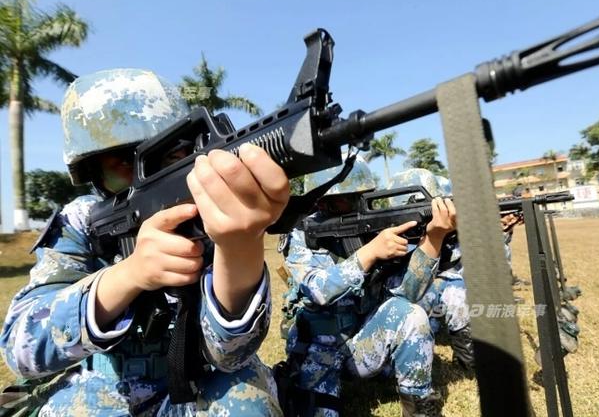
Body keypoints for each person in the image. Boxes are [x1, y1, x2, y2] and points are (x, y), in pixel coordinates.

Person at [0, 69, 287, 416]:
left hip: (194, 390)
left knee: (248, 398)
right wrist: (131, 274)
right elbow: (22, 348)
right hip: (105, 397)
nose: (145, 179)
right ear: (91, 174)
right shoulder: (81, 224)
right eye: (122, 162)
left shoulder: (208, 213)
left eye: (169, 156)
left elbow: (231, 355)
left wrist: (238, 246)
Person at [279, 155, 456, 417]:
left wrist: (434, 238)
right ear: (321, 200)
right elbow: (316, 290)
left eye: (359, 197)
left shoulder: (374, 228)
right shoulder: (301, 233)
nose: (353, 204)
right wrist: (368, 254)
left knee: (412, 314)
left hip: (361, 343)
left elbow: (407, 293)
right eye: (343, 199)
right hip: (318, 351)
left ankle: (419, 409)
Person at [387, 169, 474, 371]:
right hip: (396, 307)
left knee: (454, 287)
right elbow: (404, 287)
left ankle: (467, 360)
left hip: (422, 303)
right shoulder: (393, 236)